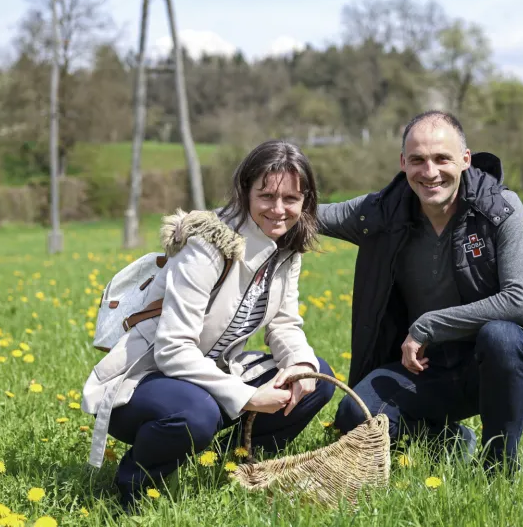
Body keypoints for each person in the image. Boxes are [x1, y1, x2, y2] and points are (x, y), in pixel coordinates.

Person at [81, 140, 335, 509]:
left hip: (212, 374)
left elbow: (283, 322)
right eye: (266, 196)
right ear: (245, 190)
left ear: (306, 200)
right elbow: (172, 350)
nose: (279, 210)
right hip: (145, 380)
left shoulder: (286, 248)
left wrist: (300, 363)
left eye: (292, 199)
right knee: (197, 413)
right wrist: (247, 396)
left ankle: (230, 465)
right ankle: (134, 489)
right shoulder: (208, 244)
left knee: (315, 380)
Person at [316, 110, 523, 473]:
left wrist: (428, 325)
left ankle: (498, 468)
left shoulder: (501, 209)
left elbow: (520, 303)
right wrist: (213, 218)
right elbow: (293, 212)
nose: (430, 172)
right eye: (418, 160)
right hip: (421, 370)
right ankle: (447, 438)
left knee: (503, 338)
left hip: (488, 368)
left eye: (442, 158)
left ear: (465, 159)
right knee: (354, 416)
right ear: (402, 163)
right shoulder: (381, 213)